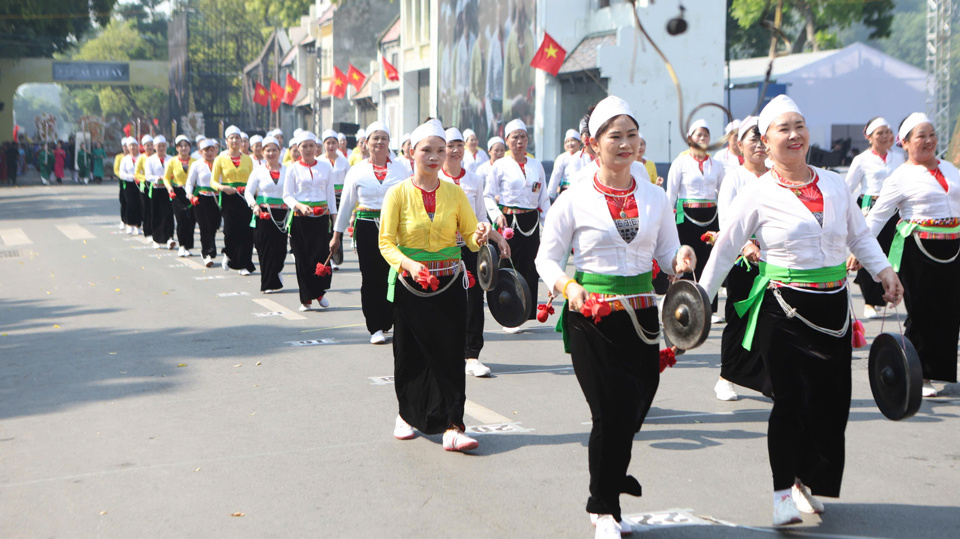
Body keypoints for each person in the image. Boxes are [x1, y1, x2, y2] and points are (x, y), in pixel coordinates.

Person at [699, 95, 902, 527]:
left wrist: (884, 270)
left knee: (831, 403)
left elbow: (859, 236)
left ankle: (803, 482)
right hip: (784, 309)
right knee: (791, 401)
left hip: (834, 307)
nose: (794, 135)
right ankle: (779, 494)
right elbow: (726, 248)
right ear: (766, 142)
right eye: (782, 129)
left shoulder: (834, 184)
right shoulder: (757, 192)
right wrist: (699, 299)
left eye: (800, 126)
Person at [536, 96, 696, 539]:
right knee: (608, 411)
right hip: (591, 315)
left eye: (632, 135)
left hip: (644, 317)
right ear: (592, 144)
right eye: (615, 136)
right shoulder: (574, 199)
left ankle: (613, 468)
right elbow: (546, 260)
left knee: (637, 403)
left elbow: (667, 254)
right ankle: (603, 505)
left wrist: (681, 256)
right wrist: (568, 287)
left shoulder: (655, 196)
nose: (626, 144)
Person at [378, 119, 509, 451]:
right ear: (411, 153)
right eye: (427, 150)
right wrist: (409, 264)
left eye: (441, 150)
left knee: (450, 355)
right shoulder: (397, 193)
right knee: (410, 354)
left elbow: (470, 237)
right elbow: (386, 243)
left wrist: (479, 235)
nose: (435, 156)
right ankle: (407, 415)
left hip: (450, 283)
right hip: (411, 286)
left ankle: (453, 425)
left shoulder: (454, 193)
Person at [858, 113, 960, 398]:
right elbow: (877, 218)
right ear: (904, 143)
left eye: (932, 135)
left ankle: (941, 371)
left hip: (953, 248)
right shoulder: (900, 177)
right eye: (920, 136)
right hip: (918, 250)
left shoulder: (951, 169)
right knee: (922, 311)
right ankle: (920, 373)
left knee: (950, 311)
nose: (928, 141)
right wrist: (858, 248)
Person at [331, 123, 407, 342]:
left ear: (389, 143)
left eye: (384, 138)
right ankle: (375, 326)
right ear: (366, 143)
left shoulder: (401, 169)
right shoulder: (357, 170)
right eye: (375, 138)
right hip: (366, 228)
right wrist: (336, 235)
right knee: (371, 276)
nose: (379, 142)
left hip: (395, 228)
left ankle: (391, 320)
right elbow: (346, 205)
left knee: (394, 274)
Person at [713, 116, 770, 402]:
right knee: (739, 318)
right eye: (753, 139)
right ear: (739, 144)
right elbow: (726, 218)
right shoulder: (734, 178)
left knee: (773, 321)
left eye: (764, 138)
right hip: (743, 261)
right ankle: (726, 376)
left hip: (775, 262)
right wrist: (746, 245)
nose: (760, 144)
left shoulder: (777, 176)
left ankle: (771, 379)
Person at [484, 119, 551, 332]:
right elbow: (487, 195)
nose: (519, 141)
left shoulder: (536, 165)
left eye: (523, 136)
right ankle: (509, 312)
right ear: (507, 140)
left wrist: (548, 224)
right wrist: (496, 215)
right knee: (509, 264)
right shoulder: (500, 165)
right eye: (515, 137)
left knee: (530, 266)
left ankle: (525, 311)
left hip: (530, 221)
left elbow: (543, 198)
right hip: (508, 221)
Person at [440, 127, 492, 377]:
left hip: (471, 247)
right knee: (445, 300)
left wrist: (487, 230)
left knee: (474, 299)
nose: (456, 150)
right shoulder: (435, 179)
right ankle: (447, 352)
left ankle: (472, 355)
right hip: (443, 249)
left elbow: (481, 214)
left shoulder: (474, 179)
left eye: (459, 144)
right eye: (451, 145)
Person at [845, 117, 907, 320]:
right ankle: (869, 301)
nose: (886, 136)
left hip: (894, 209)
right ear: (869, 137)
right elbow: (848, 187)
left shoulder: (898, 157)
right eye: (880, 133)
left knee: (891, 252)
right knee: (868, 251)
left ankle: (886, 293)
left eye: (888, 132)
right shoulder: (861, 160)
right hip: (869, 210)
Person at [665, 119, 725, 321]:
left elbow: (723, 193)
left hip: (711, 217)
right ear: (690, 138)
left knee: (710, 260)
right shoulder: (680, 163)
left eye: (706, 135)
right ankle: (682, 304)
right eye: (698, 135)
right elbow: (670, 194)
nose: (702, 138)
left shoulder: (716, 165)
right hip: (687, 218)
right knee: (686, 261)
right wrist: (665, 221)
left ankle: (709, 307)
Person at [282, 133, 337, 312]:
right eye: (304, 146)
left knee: (321, 256)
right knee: (303, 259)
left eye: (311, 145)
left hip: (321, 219)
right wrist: (299, 205)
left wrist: (335, 219)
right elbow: (287, 195)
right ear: (297, 148)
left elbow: (330, 195)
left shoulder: (325, 166)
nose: (307, 149)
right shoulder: (292, 169)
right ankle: (306, 298)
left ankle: (319, 292)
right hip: (300, 219)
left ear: (317, 147)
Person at [245, 136, 289, 293]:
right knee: (264, 248)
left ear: (280, 151)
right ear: (262, 152)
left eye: (274, 150)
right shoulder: (258, 172)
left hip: (283, 214)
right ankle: (268, 283)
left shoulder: (288, 171)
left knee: (280, 250)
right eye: (267, 150)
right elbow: (248, 192)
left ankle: (276, 271)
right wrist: (254, 205)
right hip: (263, 213)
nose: (271, 153)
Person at [211, 126, 257, 275]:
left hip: (245, 197)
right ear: (226, 141)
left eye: (238, 138)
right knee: (230, 230)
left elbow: (253, 179)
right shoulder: (220, 159)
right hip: (229, 198)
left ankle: (244, 264)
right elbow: (213, 182)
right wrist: (223, 188)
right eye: (232, 138)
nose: (235, 141)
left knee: (246, 231)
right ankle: (228, 253)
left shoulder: (248, 160)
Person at [186, 139, 222, 267]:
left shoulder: (220, 162)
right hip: (201, 199)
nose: (210, 153)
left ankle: (211, 248)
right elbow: (190, 182)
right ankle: (206, 252)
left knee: (214, 226)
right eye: (206, 150)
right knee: (204, 226)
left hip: (217, 198)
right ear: (201, 152)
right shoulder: (197, 164)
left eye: (212, 150)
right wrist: (190, 195)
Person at [321, 129, 353, 271]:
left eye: (333, 142)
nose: (331, 146)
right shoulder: (320, 160)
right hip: (325, 199)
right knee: (327, 228)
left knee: (337, 228)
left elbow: (350, 180)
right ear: (323, 144)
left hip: (340, 198)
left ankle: (336, 255)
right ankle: (329, 258)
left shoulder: (344, 161)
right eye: (328, 143)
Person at [163, 135, 197, 257]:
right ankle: (182, 245)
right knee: (181, 219)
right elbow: (166, 178)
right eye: (181, 146)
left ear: (189, 147)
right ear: (177, 148)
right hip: (178, 193)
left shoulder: (195, 162)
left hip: (192, 192)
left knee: (191, 220)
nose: (183, 148)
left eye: (186, 145)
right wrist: (169, 188)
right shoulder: (172, 161)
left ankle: (188, 246)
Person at [145, 135, 176, 249]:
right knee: (156, 214)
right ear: (154, 147)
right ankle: (156, 238)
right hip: (157, 190)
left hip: (168, 190)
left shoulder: (171, 159)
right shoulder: (150, 160)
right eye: (159, 146)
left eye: (163, 146)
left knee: (169, 214)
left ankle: (169, 237)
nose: (161, 148)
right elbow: (148, 176)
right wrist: (157, 178)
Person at [547, 129, 584, 199]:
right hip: (566, 191)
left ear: (579, 142)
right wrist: (550, 195)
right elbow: (555, 177)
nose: (570, 144)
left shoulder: (584, 156)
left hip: (581, 192)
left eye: (573, 140)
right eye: (567, 141)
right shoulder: (562, 158)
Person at [118, 138, 143, 235]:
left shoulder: (142, 157)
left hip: (140, 183)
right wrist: (131, 177)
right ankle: (129, 224)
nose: (132, 147)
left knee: (139, 205)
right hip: (129, 185)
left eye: (134, 145)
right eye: (130, 146)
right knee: (130, 204)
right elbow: (121, 173)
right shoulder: (125, 159)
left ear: (138, 146)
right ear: (128, 147)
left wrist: (140, 177)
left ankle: (138, 225)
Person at [135, 135, 156, 240]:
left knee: (156, 209)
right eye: (147, 145)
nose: (150, 147)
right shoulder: (141, 158)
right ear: (143, 146)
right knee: (146, 208)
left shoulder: (157, 157)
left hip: (156, 185)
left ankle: (156, 230)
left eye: (151, 145)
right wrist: (146, 178)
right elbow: (137, 173)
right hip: (145, 186)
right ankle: (148, 232)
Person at [114, 139, 129, 229]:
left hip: (134, 183)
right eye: (125, 146)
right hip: (123, 182)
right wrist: (122, 176)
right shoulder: (119, 157)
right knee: (124, 202)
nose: (127, 148)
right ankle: (123, 220)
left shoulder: (135, 157)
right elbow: (116, 169)